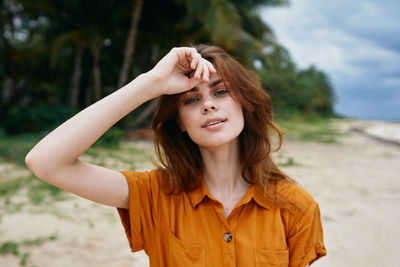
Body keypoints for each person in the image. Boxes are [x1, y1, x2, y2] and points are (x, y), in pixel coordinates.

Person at [25, 44, 326, 266]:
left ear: (244, 105)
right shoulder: (156, 195)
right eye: (192, 99)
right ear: (180, 122)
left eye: (220, 92)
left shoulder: (295, 207)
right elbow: (45, 162)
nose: (208, 105)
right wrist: (152, 83)